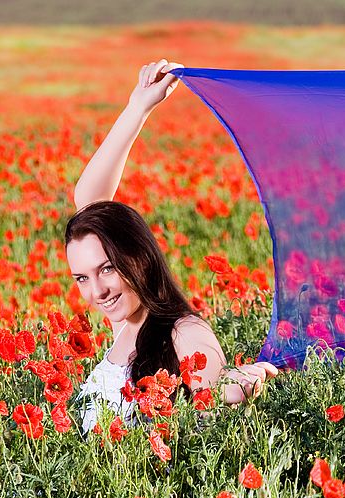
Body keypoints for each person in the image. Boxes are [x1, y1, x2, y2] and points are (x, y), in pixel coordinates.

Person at [66, 59, 278, 433]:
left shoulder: (184, 331)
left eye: (107, 269)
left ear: (139, 258)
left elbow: (209, 399)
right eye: (82, 277)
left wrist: (235, 385)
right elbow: (87, 200)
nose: (97, 291)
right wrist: (138, 107)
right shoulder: (124, 327)